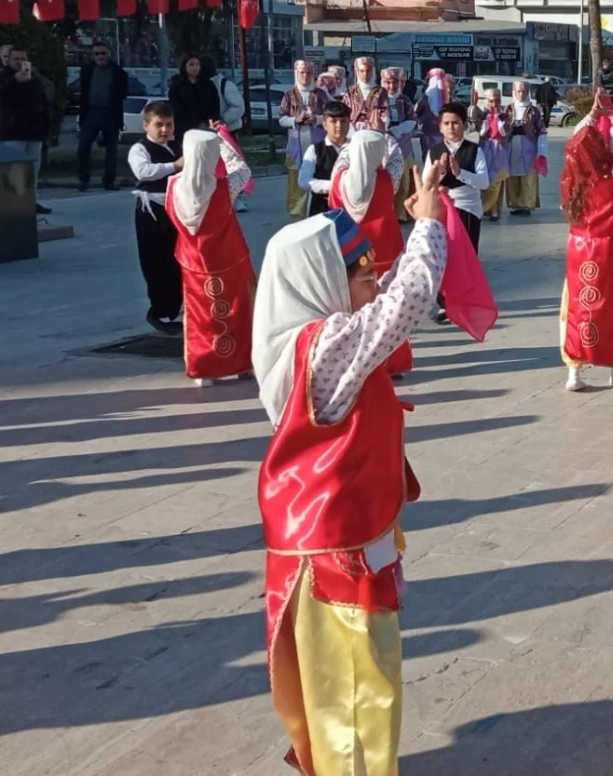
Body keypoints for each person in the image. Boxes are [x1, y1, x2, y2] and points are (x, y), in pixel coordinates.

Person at [252, 166, 448, 776]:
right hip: (335, 552)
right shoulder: (322, 347)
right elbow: (408, 301)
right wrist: (431, 226)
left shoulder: (301, 339)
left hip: (342, 537)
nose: (373, 276)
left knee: (356, 689)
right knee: (358, 692)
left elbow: (390, 292)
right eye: (359, 270)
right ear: (318, 282)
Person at [558, 99, 613, 392]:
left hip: (579, 251)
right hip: (609, 252)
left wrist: (590, 117)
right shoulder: (612, 180)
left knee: (575, 308)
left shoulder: (571, 185)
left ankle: (574, 372)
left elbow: (575, 142)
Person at [165, 129, 254, 386]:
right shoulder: (226, 187)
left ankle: (204, 367)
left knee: (200, 314)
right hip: (230, 258)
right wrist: (224, 143)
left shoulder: (173, 186)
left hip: (193, 260)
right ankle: (242, 363)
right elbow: (242, 169)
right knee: (238, 311)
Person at [327, 130, 412, 375]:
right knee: (388, 309)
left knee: (355, 308)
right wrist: (388, 136)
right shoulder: (386, 180)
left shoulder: (339, 180)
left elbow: (341, 163)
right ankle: (391, 362)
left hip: (351, 253)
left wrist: (349, 148)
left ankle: (355, 361)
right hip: (384, 253)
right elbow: (397, 161)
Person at [128, 101, 183, 335]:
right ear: (146, 126)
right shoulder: (140, 149)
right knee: (156, 261)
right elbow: (143, 171)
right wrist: (174, 166)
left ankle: (177, 308)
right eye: (158, 125)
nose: (164, 130)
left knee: (176, 259)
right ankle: (159, 310)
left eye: (168, 125)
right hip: (151, 208)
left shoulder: (176, 146)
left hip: (177, 207)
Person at [0, 46, 52, 215]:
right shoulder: (1, 76)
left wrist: (45, 125)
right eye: (15, 59)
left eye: (22, 59)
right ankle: (12, 202)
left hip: (34, 132)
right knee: (13, 169)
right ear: (8, 60)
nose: (19, 62)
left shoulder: (34, 78)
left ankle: (31, 202)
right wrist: (15, 80)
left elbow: (43, 101)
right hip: (12, 131)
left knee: (33, 170)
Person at [425, 102, 489, 251]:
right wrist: (439, 174)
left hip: (467, 209)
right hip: (441, 210)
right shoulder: (434, 152)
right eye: (446, 123)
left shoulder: (474, 150)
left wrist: (460, 173)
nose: (451, 127)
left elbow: (484, 182)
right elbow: (425, 184)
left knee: (466, 253)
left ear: (464, 125)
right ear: (440, 127)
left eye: (455, 123)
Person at [278, 61, 329, 220]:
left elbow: (329, 116)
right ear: (296, 73)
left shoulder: (320, 94)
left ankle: (320, 212)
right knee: (296, 182)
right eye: (302, 73)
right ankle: (298, 215)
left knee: (319, 177)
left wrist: (317, 119)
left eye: (308, 73)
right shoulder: (289, 95)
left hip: (318, 144)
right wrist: (295, 120)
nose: (305, 76)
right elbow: (281, 119)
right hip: (296, 146)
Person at [78, 43, 131, 192]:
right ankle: (83, 180)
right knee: (83, 147)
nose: (100, 56)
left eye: (103, 53)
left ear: (109, 54)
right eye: (97, 54)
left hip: (110, 114)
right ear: (92, 55)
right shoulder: (87, 70)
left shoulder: (118, 72)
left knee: (111, 150)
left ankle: (109, 181)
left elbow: (124, 92)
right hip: (90, 113)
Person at [200, 55, 247, 212]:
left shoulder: (224, 85)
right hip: (206, 132)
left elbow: (239, 107)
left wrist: (223, 119)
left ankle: (239, 197)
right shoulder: (198, 85)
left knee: (232, 165)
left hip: (227, 132)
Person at [298, 102, 353, 217]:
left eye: (344, 121)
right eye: (333, 121)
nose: (339, 125)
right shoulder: (315, 150)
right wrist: (335, 186)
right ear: (324, 124)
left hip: (352, 208)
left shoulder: (356, 148)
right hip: (322, 208)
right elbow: (304, 181)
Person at [505, 80, 548, 217]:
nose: (521, 94)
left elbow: (541, 130)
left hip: (529, 147)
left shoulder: (533, 111)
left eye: (524, 91)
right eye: (518, 91)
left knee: (528, 176)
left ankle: (527, 205)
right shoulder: (508, 109)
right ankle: (515, 204)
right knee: (512, 176)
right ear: (514, 92)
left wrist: (541, 150)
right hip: (512, 147)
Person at [469, 89, 512, 222]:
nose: (494, 103)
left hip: (500, 149)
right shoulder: (482, 114)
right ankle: (488, 209)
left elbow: (507, 132)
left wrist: (500, 122)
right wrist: (484, 124)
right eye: (491, 101)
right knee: (485, 179)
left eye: (497, 100)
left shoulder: (505, 114)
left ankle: (491, 209)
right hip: (485, 148)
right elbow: (477, 130)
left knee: (496, 181)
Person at [382, 68, 419, 223]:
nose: (391, 86)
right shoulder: (377, 99)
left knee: (404, 182)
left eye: (395, 82)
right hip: (383, 144)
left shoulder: (404, 100)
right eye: (388, 82)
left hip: (403, 143)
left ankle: (400, 215)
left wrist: (399, 129)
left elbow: (413, 119)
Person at [415, 69, 455, 165]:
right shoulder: (426, 100)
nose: (448, 90)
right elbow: (415, 113)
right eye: (446, 87)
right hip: (428, 139)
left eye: (451, 88)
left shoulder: (454, 105)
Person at [343, 57, 386, 130]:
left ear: (373, 71)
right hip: (353, 129)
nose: (365, 74)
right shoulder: (350, 91)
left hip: (375, 128)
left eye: (368, 71)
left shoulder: (381, 91)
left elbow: (385, 112)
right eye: (362, 71)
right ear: (357, 72)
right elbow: (344, 111)